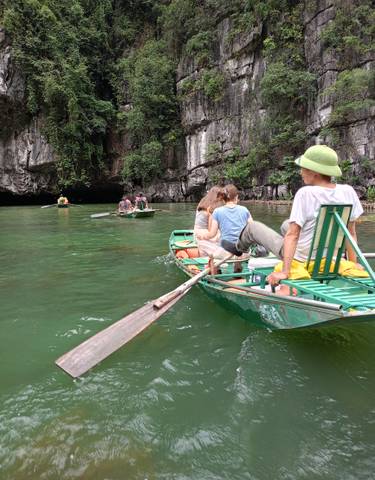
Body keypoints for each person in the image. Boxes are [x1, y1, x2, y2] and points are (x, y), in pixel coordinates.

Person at [222, 145, 367, 288]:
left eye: (303, 168)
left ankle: (238, 249)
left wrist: (286, 271)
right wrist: (352, 265)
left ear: (314, 171)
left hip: (304, 258)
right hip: (333, 258)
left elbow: (292, 236)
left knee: (252, 227)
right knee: (286, 224)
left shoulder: (305, 194)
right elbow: (350, 233)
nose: (300, 172)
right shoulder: (348, 191)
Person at [196, 185, 253, 270]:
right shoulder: (244, 209)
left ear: (223, 198)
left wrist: (202, 236)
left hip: (225, 254)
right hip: (245, 253)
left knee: (206, 250)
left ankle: (216, 270)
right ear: (236, 197)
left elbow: (212, 234)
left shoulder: (217, 212)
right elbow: (252, 228)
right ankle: (237, 266)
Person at [194, 186, 226, 257]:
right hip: (203, 235)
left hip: (196, 232)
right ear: (217, 196)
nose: (222, 199)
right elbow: (210, 229)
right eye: (221, 196)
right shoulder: (212, 207)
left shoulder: (203, 201)